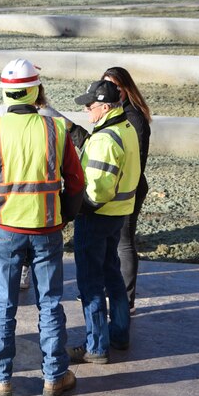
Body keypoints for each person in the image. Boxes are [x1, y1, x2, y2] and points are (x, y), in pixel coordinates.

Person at [0, 58, 86, 396]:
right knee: (50, 303)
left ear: (5, 92)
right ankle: (55, 375)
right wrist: (63, 215)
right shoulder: (56, 130)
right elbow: (76, 183)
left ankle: (1, 376)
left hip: (6, 228)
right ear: (36, 90)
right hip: (47, 228)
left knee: (4, 304)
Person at [0, 83, 62, 289]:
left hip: (28, 211)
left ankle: (22, 268)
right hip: (18, 209)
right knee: (49, 298)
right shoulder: (0, 116)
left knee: (4, 299)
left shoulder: (50, 120)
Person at [67, 79, 141, 366]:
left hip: (97, 217)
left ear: (106, 106)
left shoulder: (104, 140)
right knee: (112, 275)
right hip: (119, 214)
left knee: (90, 283)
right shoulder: (126, 128)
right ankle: (120, 334)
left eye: (90, 105)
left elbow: (98, 190)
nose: (86, 109)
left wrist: (77, 209)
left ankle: (96, 346)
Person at [102, 67, 151, 313]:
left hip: (128, 190)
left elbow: (135, 162)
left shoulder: (133, 118)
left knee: (124, 241)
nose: (109, 92)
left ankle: (125, 299)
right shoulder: (118, 114)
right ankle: (112, 290)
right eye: (105, 86)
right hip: (117, 189)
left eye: (114, 87)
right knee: (114, 241)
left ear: (125, 89)